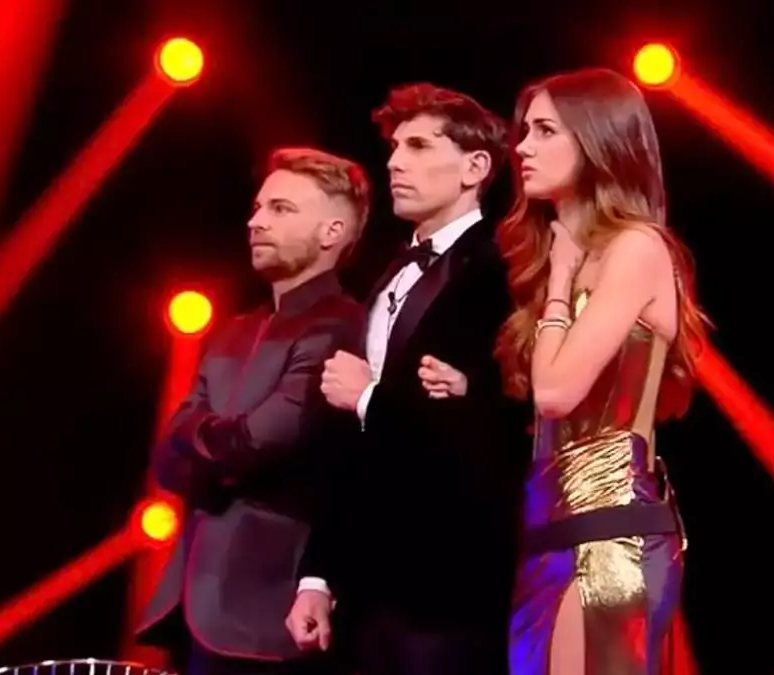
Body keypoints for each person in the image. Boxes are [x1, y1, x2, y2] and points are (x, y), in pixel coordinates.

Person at [285, 83, 531, 675]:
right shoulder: (386, 276)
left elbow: (498, 431)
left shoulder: (507, 272)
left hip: (451, 584)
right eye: (395, 147)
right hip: (367, 590)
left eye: (419, 146)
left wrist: (370, 397)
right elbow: (350, 443)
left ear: (475, 167)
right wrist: (317, 575)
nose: (395, 162)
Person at [492, 68, 708, 674]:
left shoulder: (636, 247)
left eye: (544, 131)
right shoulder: (559, 255)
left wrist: (561, 284)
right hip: (548, 532)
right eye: (524, 131)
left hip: (610, 534)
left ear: (597, 139)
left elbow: (556, 392)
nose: (522, 147)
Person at [136, 147, 371, 675]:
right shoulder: (234, 329)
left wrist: (202, 442)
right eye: (259, 207)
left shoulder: (340, 324)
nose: (256, 221)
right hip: (195, 603)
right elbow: (166, 459)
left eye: (280, 209)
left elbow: (263, 443)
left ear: (332, 232)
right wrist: (214, 446)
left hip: (270, 609)